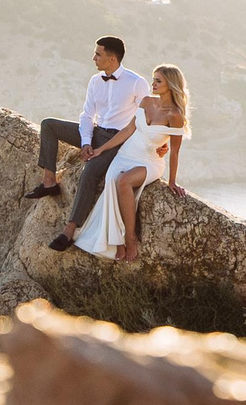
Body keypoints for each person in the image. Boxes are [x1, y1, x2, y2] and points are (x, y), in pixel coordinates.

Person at [29, 36, 148, 253]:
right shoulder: (95, 81)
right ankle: (49, 182)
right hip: (93, 132)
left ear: (112, 58)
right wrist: (85, 142)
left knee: (90, 172)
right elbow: (86, 114)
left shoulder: (137, 83)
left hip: (116, 141)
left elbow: (146, 118)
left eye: (98, 54)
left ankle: (69, 230)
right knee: (49, 125)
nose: (93, 58)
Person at [74, 63, 190, 262]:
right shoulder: (146, 101)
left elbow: (175, 152)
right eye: (153, 79)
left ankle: (130, 238)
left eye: (158, 81)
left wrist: (171, 182)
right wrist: (101, 149)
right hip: (126, 152)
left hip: (149, 161)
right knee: (111, 181)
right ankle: (117, 241)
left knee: (124, 181)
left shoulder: (175, 115)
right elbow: (128, 130)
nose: (152, 83)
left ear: (170, 84)